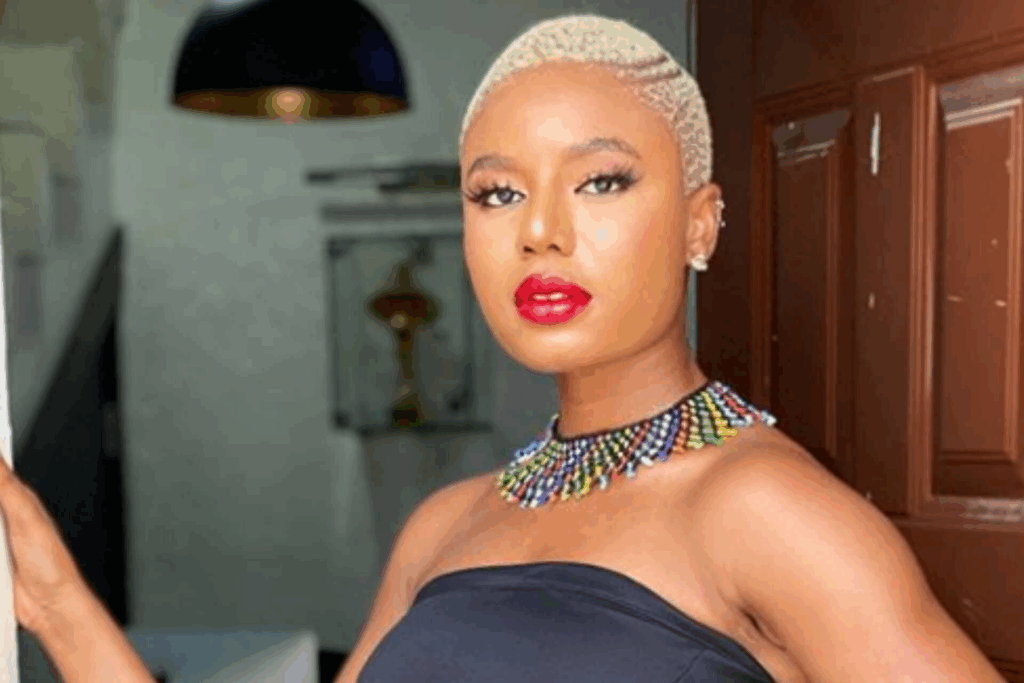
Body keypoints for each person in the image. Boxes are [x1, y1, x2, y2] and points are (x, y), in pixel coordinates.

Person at [0, 13, 1008, 683]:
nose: (540, 231)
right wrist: (53, 600)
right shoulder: (443, 527)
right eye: (497, 192)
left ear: (700, 222)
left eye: (600, 181)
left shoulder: (765, 510)